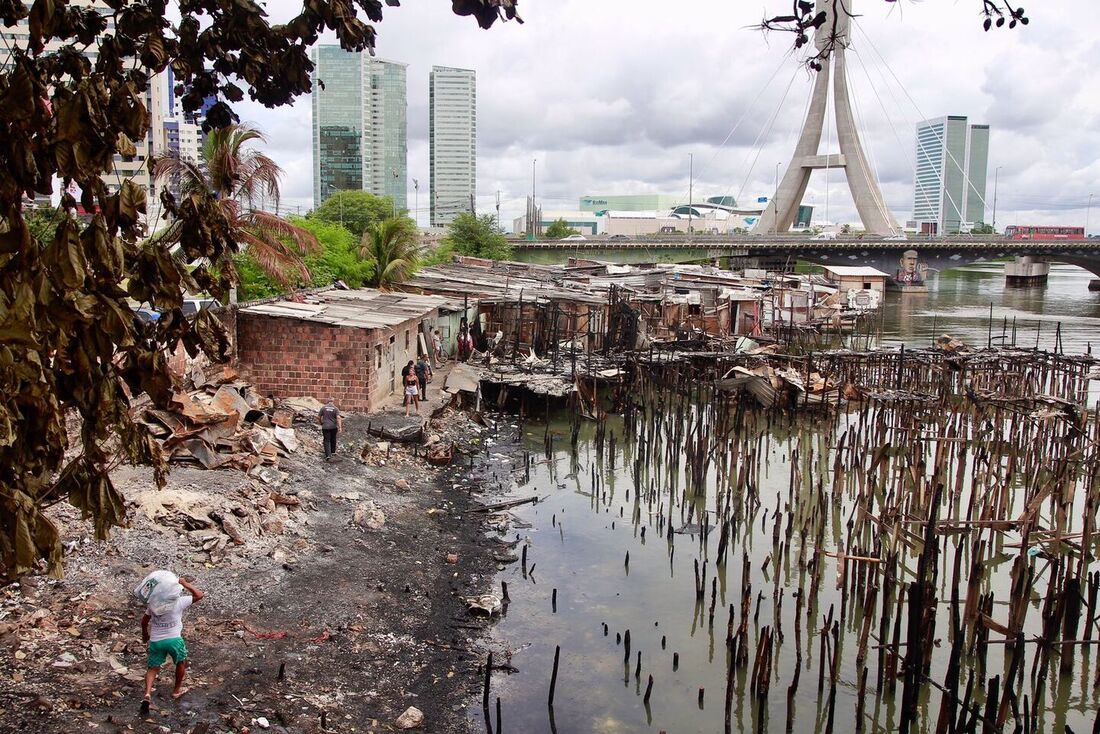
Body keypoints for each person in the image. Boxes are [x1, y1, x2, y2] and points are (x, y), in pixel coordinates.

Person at [142, 576, 203, 705]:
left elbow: (144, 621)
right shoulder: (179, 602)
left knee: (152, 668)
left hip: (156, 640)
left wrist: (145, 635)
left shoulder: (153, 604)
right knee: (181, 663)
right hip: (174, 639)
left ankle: (147, 693)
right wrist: (186, 583)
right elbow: (199, 595)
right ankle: (176, 691)